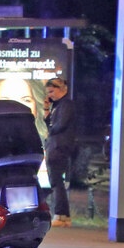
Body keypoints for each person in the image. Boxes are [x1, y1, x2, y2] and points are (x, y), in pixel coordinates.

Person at [43, 78, 76, 227]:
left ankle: (59, 214)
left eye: (52, 91)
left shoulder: (66, 105)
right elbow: (50, 124)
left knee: (56, 182)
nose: (50, 95)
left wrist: (50, 133)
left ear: (61, 89)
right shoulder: (57, 105)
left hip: (59, 146)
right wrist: (46, 110)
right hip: (55, 145)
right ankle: (64, 216)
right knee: (56, 182)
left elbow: (59, 125)